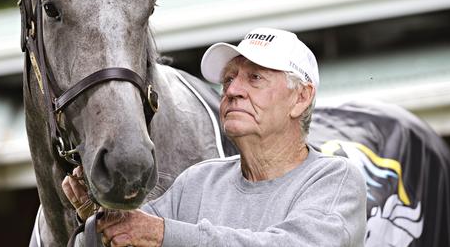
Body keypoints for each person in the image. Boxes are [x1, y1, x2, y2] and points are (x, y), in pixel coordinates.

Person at [63, 27, 367, 246]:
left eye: (255, 77)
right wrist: (103, 224)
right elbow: (137, 234)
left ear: (301, 98)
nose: (232, 90)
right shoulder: (198, 181)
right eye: (229, 79)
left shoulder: (334, 179)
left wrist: (161, 235)